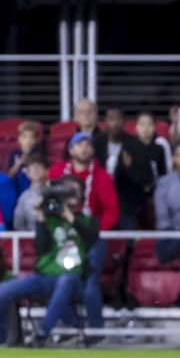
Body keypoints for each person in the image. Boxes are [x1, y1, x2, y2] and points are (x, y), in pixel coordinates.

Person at [0, 175, 100, 345]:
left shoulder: (89, 221)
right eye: (65, 194)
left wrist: (71, 218)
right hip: (44, 276)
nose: (68, 198)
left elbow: (91, 239)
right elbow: (41, 249)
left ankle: (42, 333)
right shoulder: (49, 220)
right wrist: (41, 217)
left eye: (72, 194)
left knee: (66, 280)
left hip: (74, 278)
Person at [49, 132, 118, 325]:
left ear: (93, 150)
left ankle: (97, 330)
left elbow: (112, 212)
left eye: (88, 144)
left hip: (91, 237)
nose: (84, 148)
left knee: (88, 280)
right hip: (62, 235)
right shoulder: (57, 171)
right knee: (51, 278)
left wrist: (92, 232)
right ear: (70, 150)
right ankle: (74, 326)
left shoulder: (102, 177)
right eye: (79, 144)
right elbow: (49, 203)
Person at [6, 120, 43, 196]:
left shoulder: (39, 154)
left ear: (35, 140)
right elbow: (9, 174)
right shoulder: (14, 154)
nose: (28, 140)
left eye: (31, 137)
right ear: (19, 139)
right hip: (17, 189)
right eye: (25, 137)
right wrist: (18, 164)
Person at [66, 99, 107, 165]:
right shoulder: (70, 141)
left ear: (96, 114)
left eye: (89, 111)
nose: (86, 115)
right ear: (76, 116)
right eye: (82, 112)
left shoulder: (106, 139)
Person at [13, 154, 47, 232]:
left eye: (39, 167)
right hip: (31, 238)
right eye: (32, 168)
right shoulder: (24, 197)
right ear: (28, 174)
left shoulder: (53, 193)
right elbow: (18, 224)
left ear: (45, 171)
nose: (36, 170)